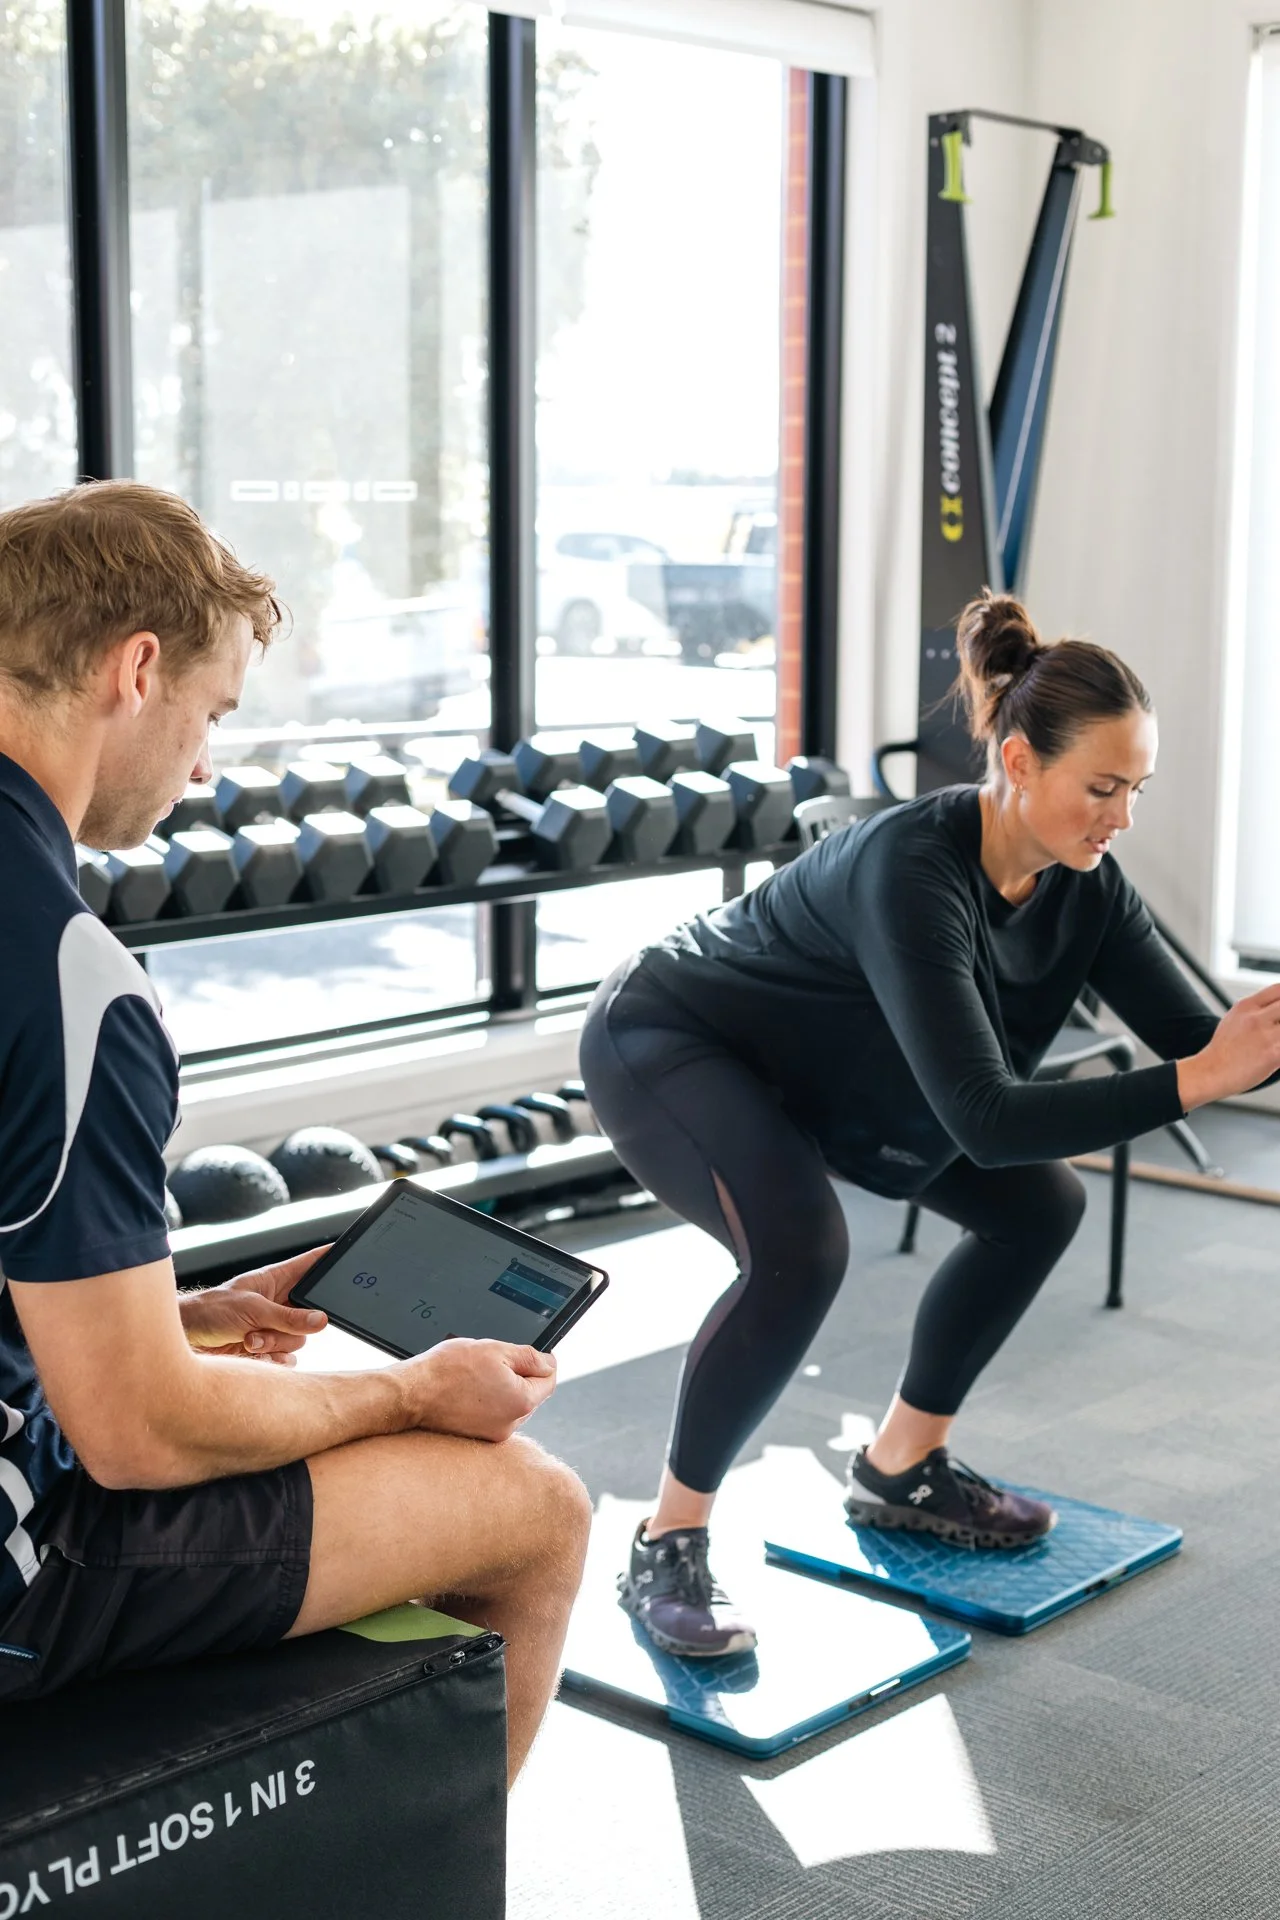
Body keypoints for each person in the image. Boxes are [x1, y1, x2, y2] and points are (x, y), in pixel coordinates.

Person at [0, 481, 590, 1783]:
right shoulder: (65, 971)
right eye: (211, 716)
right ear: (134, 670)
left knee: (242, 1384)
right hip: (12, 1578)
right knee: (535, 1511)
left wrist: (175, 1313)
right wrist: (409, 1389)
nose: (204, 765)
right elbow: (137, 1437)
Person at [580, 588, 1280, 1657]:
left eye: (1134, 790)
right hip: (674, 1038)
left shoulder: (1085, 886)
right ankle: (665, 1540)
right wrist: (1195, 1081)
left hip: (835, 1070)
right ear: (1015, 761)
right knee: (799, 1251)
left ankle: (899, 1467)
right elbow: (990, 1120)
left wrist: (1232, 1058)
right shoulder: (913, 869)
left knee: (1034, 1208)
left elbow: (1209, 1040)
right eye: (1100, 787)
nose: (1120, 816)